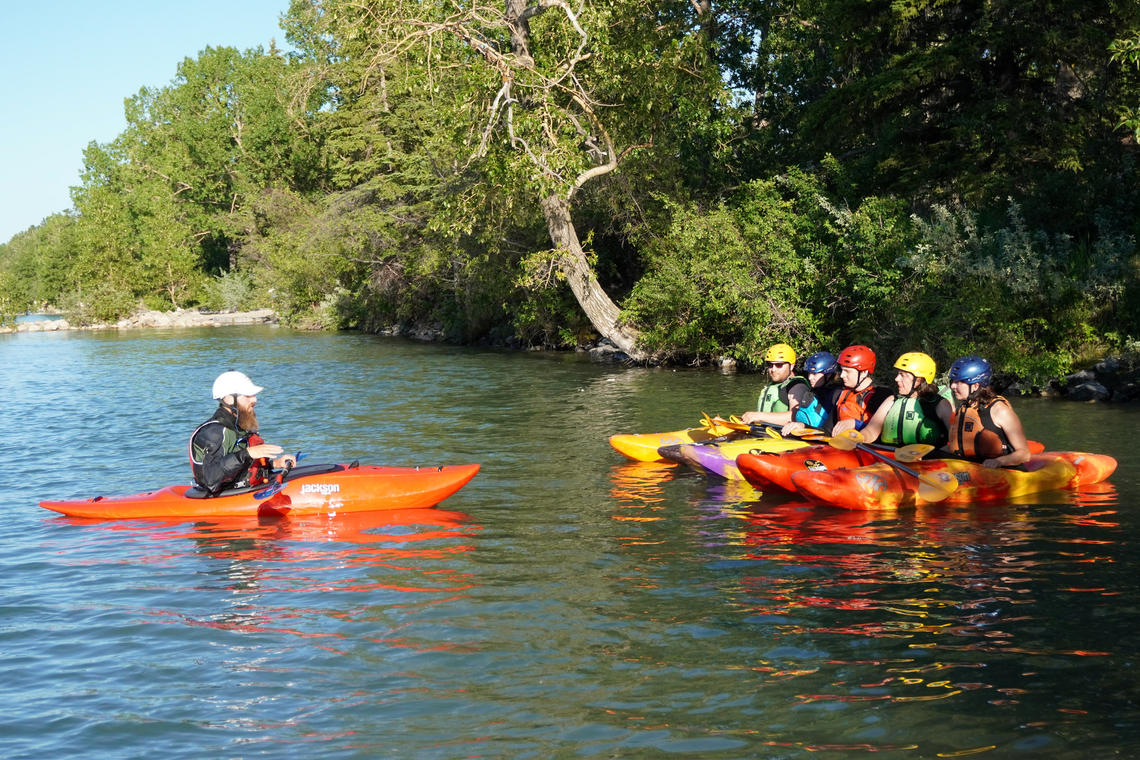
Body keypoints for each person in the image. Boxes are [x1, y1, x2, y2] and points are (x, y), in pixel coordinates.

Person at [189, 370, 297, 494]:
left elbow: (239, 471)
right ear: (229, 399)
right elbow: (211, 478)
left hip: (241, 490)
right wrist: (247, 453)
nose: (255, 399)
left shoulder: (238, 427)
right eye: (247, 395)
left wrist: (274, 464)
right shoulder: (213, 433)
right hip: (221, 499)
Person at [943, 355, 1031, 468]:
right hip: (971, 471)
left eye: (958, 382)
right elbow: (957, 446)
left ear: (975, 386)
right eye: (952, 381)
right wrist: (928, 454)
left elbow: (1024, 454)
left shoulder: (1000, 410)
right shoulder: (963, 409)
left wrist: (999, 462)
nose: (952, 386)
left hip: (1001, 473)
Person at [853, 352, 952, 446]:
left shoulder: (940, 405)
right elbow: (871, 431)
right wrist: (859, 439)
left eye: (902, 375)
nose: (896, 379)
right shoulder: (891, 400)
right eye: (898, 374)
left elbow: (955, 441)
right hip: (889, 457)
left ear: (919, 380)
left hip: (927, 461)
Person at [740, 343, 828, 429]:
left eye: (779, 365)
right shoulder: (776, 384)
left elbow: (795, 416)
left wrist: (758, 416)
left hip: (783, 437)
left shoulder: (797, 386)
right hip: (763, 431)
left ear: (791, 366)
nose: (773, 370)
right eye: (770, 365)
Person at [825, 345, 893, 435]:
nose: (842, 375)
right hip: (842, 445)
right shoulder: (841, 393)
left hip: (866, 447)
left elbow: (885, 434)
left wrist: (856, 424)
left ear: (864, 372)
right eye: (842, 370)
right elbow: (827, 430)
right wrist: (804, 426)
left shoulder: (881, 395)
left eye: (847, 371)